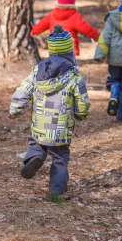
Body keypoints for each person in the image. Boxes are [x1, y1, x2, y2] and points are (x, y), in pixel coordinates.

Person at [9, 25, 91, 199]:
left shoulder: (38, 71)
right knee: (60, 158)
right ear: (70, 51)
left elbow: (24, 89)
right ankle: (56, 191)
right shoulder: (74, 75)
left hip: (40, 125)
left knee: (36, 143)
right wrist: (81, 114)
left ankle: (35, 157)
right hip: (60, 129)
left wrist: (16, 108)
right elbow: (82, 100)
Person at [31, 0, 99, 56]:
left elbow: (42, 24)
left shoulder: (52, 15)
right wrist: (96, 35)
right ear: (73, 0)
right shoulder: (75, 17)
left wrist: (34, 30)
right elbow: (86, 29)